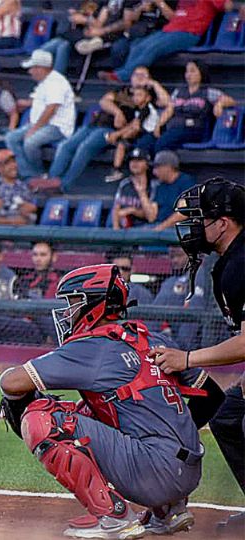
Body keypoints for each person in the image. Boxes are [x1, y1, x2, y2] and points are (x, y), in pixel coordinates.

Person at [0, 263, 226, 539]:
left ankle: (114, 518)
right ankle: (167, 511)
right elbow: (213, 397)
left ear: (93, 303)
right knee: (97, 409)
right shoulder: (150, 337)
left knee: (43, 418)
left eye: (73, 303)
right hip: (187, 473)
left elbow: (11, 382)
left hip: (153, 474)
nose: (68, 312)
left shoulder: (91, 346)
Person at [151, 178, 245, 537]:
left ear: (223, 223)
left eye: (199, 218)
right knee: (228, 417)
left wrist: (186, 358)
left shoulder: (242, 263)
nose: (189, 226)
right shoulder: (229, 260)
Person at [101, 0, 234, 83]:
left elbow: (228, 6)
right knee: (138, 44)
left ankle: (123, 76)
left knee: (153, 48)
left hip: (188, 33)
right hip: (170, 29)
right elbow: (176, 15)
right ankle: (125, 74)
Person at [4, 50, 75, 180]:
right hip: (40, 123)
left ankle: (38, 175)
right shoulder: (44, 82)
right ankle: (28, 174)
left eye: (32, 68)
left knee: (30, 142)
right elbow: (42, 100)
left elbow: (51, 108)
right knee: (11, 138)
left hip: (57, 127)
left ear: (41, 68)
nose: (30, 71)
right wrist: (27, 103)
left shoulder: (56, 82)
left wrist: (34, 128)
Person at [155, 60, 237, 152]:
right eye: (187, 71)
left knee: (162, 144)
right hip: (175, 128)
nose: (188, 74)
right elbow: (169, 109)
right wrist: (159, 124)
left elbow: (231, 101)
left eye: (192, 71)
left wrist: (220, 104)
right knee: (152, 142)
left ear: (201, 73)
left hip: (194, 129)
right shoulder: (178, 91)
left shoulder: (208, 92)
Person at [103, 86, 160, 183]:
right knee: (122, 144)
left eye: (140, 95)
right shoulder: (135, 109)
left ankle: (146, 176)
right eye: (134, 95)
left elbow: (136, 127)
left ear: (148, 98)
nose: (136, 98)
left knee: (137, 148)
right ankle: (116, 170)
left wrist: (117, 135)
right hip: (139, 134)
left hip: (149, 135)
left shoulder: (147, 109)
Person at [0, 149, 36, 226]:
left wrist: (29, 208)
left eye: (14, 161)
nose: (13, 166)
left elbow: (30, 212)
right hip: (0, 233)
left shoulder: (23, 186)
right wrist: (11, 222)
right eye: (7, 163)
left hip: (23, 233)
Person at [111, 148, 157, 230]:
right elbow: (116, 209)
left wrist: (133, 210)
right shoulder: (124, 184)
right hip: (123, 228)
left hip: (144, 228)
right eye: (132, 160)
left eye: (139, 160)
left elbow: (150, 217)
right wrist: (116, 230)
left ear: (147, 164)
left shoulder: (154, 185)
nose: (134, 163)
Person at [150, 151, 196, 231]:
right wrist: (141, 192)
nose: (154, 172)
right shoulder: (159, 185)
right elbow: (152, 216)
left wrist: (161, 227)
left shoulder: (186, 182)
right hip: (158, 226)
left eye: (157, 167)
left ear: (168, 167)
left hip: (179, 228)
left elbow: (183, 213)